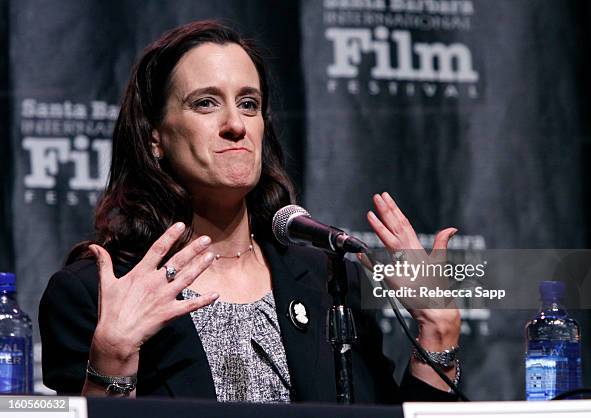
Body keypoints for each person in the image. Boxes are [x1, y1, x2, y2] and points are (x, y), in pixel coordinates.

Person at [39, 20, 460, 403]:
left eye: (248, 104)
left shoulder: (330, 280)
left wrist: (438, 330)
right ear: (155, 138)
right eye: (205, 103)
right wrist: (113, 359)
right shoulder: (98, 293)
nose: (235, 124)